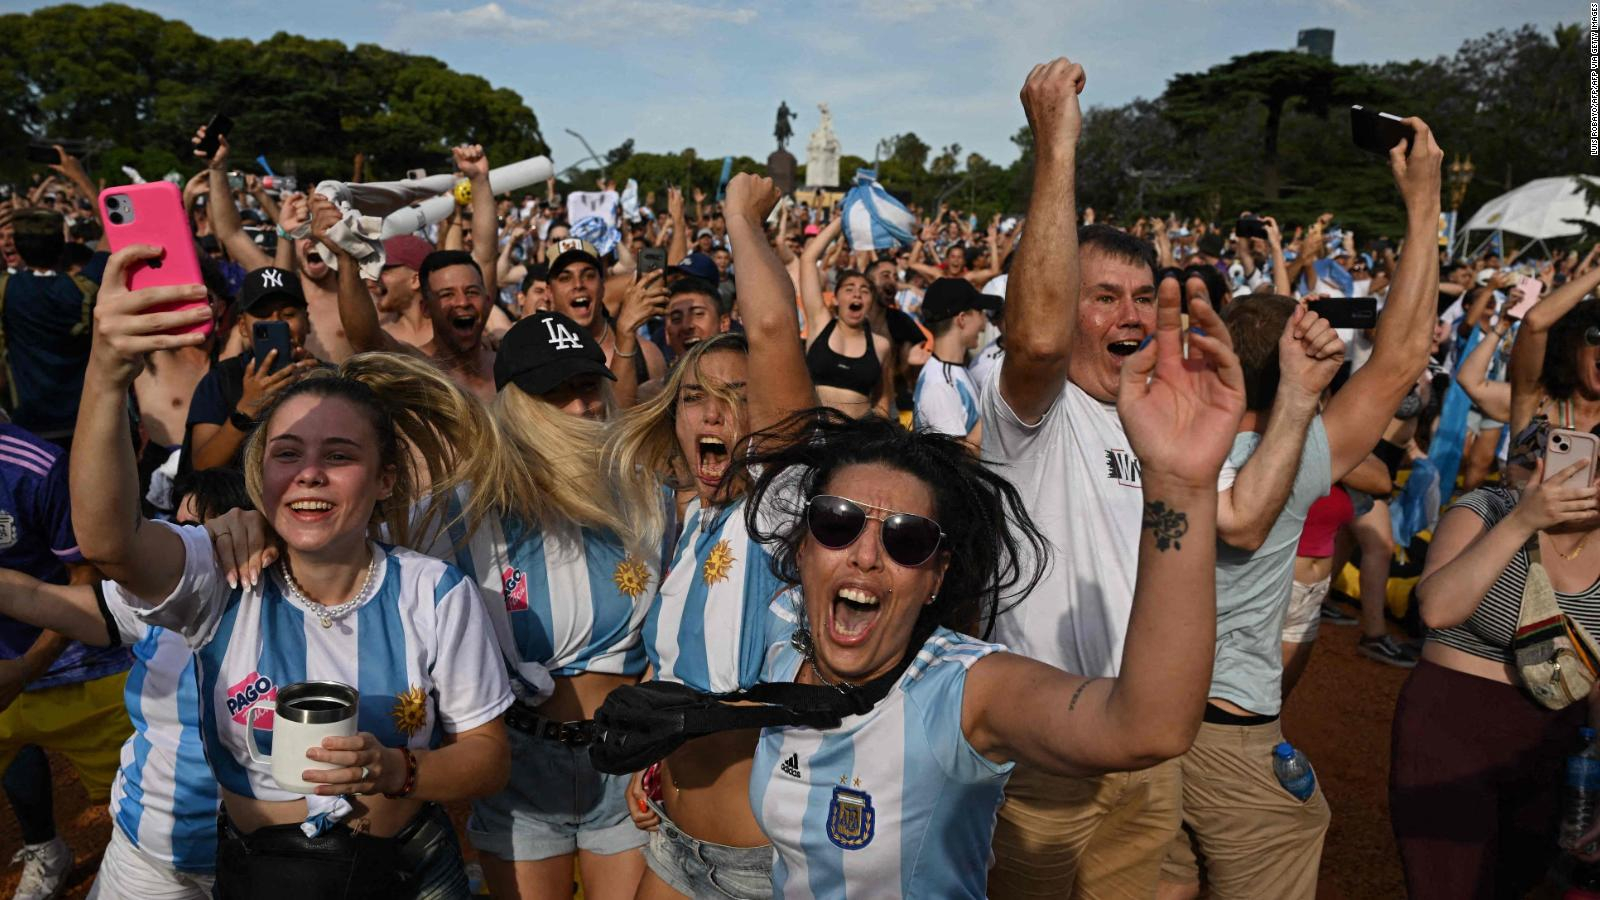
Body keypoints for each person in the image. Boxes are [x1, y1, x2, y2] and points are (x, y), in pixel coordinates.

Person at [739, 205, 1244, 891]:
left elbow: (1148, 725)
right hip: (1051, 779)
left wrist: (1182, 486)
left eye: (907, 539)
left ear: (940, 574)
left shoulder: (963, 688)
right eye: (836, 521)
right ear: (800, 548)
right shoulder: (777, 640)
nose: (863, 553)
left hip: (1088, 735)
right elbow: (773, 351)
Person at [73, 243, 514, 898]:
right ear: (260, 472)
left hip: (409, 872)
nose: (310, 472)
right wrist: (107, 375)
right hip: (263, 875)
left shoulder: (433, 589)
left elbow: (489, 756)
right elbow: (109, 543)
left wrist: (395, 767)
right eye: (287, 453)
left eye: (339, 454)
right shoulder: (221, 570)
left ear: (385, 475)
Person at [607, 174, 818, 900]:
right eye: (694, 397)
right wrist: (653, 763)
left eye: (735, 398)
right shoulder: (685, 521)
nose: (710, 414)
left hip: (757, 868)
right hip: (670, 839)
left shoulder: (779, 511)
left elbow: (770, 332)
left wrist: (738, 218)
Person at [430, 311, 663, 900]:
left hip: (624, 760)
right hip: (518, 765)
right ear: (518, 406)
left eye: (587, 387)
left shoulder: (647, 495)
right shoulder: (465, 508)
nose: (581, 408)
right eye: (556, 394)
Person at [0, 470, 250, 899]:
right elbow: (45, 599)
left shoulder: (293, 616)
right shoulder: (154, 605)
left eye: (195, 532)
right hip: (146, 853)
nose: (176, 543)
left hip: (253, 862)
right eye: (174, 526)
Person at [1395, 441, 1600, 899]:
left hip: (1551, 751)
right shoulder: (1487, 509)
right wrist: (1524, 522)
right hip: (1450, 730)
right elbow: (1436, 609)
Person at [0, 419, 129, 900]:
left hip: (80, 670)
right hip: (8, 676)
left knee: (136, 807)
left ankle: (129, 874)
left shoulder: (36, 467)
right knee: (15, 750)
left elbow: (87, 573)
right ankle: (44, 848)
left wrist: (27, 668)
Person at [182, 266, 319, 474]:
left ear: (307, 321)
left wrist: (319, 389)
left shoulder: (329, 377)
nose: (276, 322)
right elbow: (202, 466)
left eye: (288, 314)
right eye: (263, 316)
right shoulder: (221, 380)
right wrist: (246, 410)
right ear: (244, 327)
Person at [0, 208, 105, 445]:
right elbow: (107, 239)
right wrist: (79, 176)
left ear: (18, 248)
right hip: (86, 419)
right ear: (62, 246)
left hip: (31, 426)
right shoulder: (83, 289)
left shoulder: (8, 290)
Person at [543, 238, 668, 408]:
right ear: (549, 292)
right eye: (565, 278)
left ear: (602, 285)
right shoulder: (536, 357)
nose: (578, 285)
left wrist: (625, 335)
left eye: (589, 275)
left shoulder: (646, 355)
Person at [799, 219, 892, 419]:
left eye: (864, 290)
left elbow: (883, 399)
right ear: (835, 298)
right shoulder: (820, 323)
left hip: (856, 442)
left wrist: (875, 439)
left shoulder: (881, 345)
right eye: (849, 289)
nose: (857, 295)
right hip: (814, 436)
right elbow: (808, 259)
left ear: (870, 301)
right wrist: (843, 218)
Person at [912, 278, 998, 444]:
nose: (984, 323)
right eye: (980, 312)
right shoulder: (940, 385)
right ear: (962, 319)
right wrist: (999, 401)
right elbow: (956, 461)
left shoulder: (953, 372)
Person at [371, 235, 436, 350]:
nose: (374, 278)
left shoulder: (450, 331)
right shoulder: (381, 337)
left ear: (415, 280)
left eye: (384, 270)